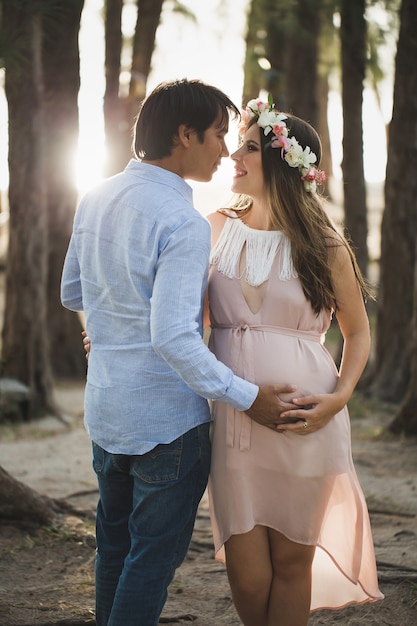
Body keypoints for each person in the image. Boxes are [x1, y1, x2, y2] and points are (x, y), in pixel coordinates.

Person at [60, 79, 297, 626]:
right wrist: (248, 397)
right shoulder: (183, 223)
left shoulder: (94, 196)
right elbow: (172, 336)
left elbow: (73, 293)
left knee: (114, 551)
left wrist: (115, 317)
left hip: (106, 415)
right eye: (217, 135)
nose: (224, 151)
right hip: (168, 426)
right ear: (184, 134)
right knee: (148, 563)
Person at [204, 97, 384, 625]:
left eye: (250, 147)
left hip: (307, 424)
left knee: (290, 561)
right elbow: (179, 318)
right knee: (248, 573)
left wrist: (338, 399)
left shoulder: (324, 243)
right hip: (236, 418)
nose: (234, 154)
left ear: (282, 164)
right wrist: (112, 338)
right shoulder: (211, 227)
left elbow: (356, 331)